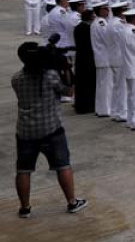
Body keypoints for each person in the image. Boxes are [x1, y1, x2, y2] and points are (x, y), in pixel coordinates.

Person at [13, 42, 89, 218]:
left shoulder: (16, 79)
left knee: (23, 170)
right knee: (63, 166)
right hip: (51, 130)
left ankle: (25, 208)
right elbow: (69, 92)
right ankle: (72, 202)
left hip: (25, 131)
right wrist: (66, 70)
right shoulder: (51, 76)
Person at [90, 1, 114, 117]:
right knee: (106, 85)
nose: (108, 11)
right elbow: (108, 40)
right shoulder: (101, 23)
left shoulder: (98, 22)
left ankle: (100, 108)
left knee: (101, 85)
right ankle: (105, 109)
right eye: (105, 9)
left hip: (101, 58)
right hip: (105, 58)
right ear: (99, 10)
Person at [73, 9, 96, 115]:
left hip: (80, 57)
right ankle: (88, 105)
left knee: (81, 82)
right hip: (88, 58)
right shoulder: (88, 28)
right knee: (88, 82)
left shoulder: (78, 27)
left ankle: (80, 105)